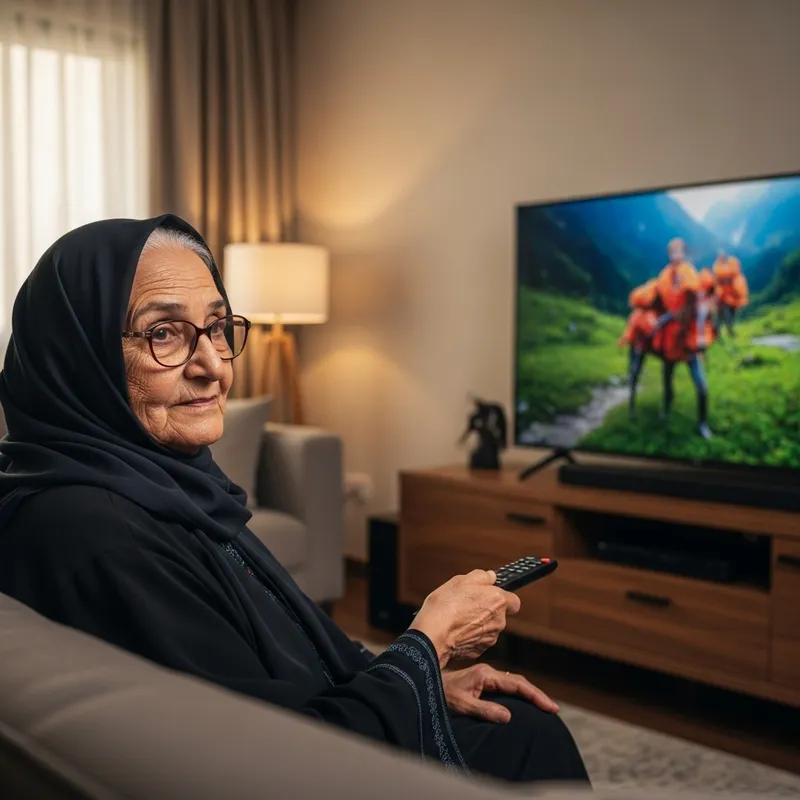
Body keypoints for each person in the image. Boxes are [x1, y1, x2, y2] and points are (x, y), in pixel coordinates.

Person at [0, 216, 588, 785]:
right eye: (163, 333)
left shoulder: (169, 486)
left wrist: (424, 684)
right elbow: (271, 759)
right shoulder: (97, 531)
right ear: (75, 357)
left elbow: (294, 654)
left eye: (218, 327)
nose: (212, 367)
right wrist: (430, 644)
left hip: (322, 729)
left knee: (526, 724)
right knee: (530, 738)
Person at [654, 238, 713, 440]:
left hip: (687, 338)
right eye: (671, 252)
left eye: (678, 251)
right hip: (671, 338)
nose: (674, 256)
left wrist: (668, 317)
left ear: (684, 253)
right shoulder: (665, 275)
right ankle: (666, 408)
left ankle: (703, 424)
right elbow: (661, 300)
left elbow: (691, 304)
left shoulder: (688, 273)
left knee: (701, 385)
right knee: (667, 377)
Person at [712, 249, 749, 337]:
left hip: (731, 296)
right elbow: (719, 278)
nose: (722, 257)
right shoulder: (717, 266)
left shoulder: (731, 264)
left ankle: (725, 331)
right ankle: (725, 331)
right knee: (723, 314)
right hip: (722, 297)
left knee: (730, 313)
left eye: (723, 255)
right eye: (720, 256)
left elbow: (734, 275)